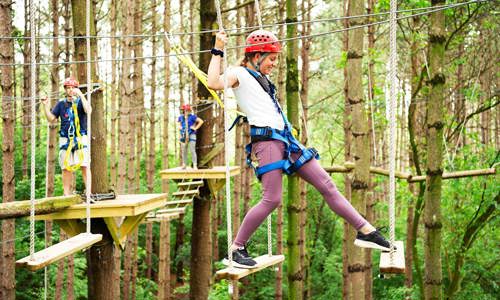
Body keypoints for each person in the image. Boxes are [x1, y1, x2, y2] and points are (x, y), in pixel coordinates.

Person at [207, 30, 394, 269]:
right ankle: (236, 249)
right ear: (256, 55)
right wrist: (218, 47)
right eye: (271, 58)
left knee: (326, 184)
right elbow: (213, 82)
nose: (274, 64)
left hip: (286, 141)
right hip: (267, 142)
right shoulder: (238, 73)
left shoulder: (261, 78)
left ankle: (366, 231)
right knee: (271, 199)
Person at [41, 77, 91, 196]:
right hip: (65, 138)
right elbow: (51, 119)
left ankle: (89, 193)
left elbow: (88, 110)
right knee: (66, 167)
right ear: (65, 89)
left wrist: (81, 95)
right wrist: (45, 106)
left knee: (84, 164)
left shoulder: (80, 101)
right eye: (68, 88)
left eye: (72, 88)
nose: (70, 90)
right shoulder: (61, 104)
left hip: (80, 136)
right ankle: (66, 194)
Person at [178, 104, 204, 169]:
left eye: (188, 110)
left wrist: (195, 128)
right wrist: (180, 127)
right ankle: (184, 164)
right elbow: (179, 125)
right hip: (183, 135)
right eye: (186, 110)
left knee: (192, 150)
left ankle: (195, 165)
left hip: (191, 134)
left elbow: (201, 121)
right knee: (184, 150)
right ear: (183, 110)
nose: (187, 111)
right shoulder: (181, 117)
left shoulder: (192, 117)